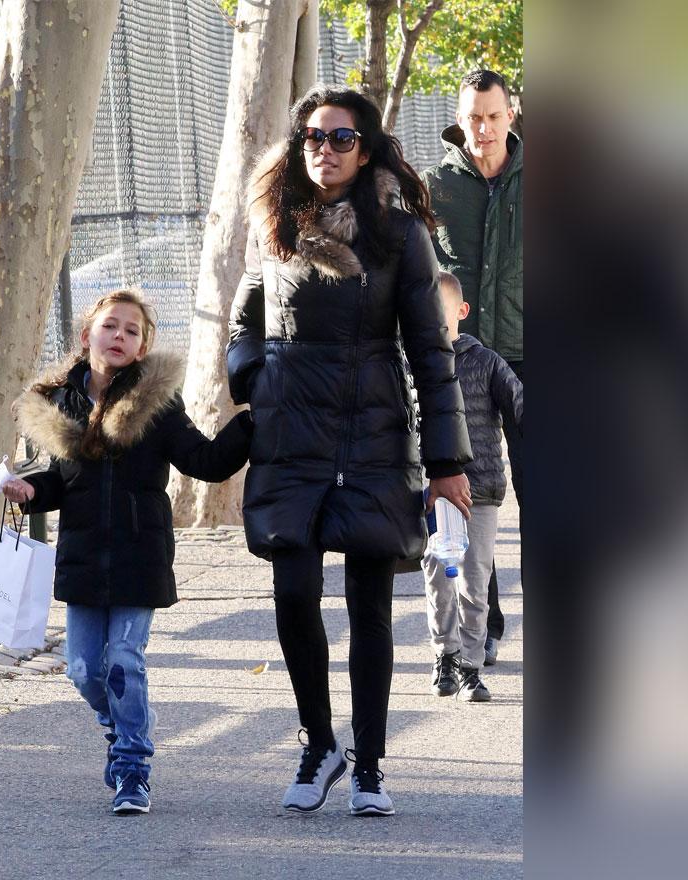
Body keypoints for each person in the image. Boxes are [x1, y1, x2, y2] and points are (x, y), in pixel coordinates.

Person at [227, 85, 473, 817]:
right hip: (290, 437)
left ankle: (369, 764)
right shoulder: (278, 224)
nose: (323, 149)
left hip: (372, 437)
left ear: (365, 150)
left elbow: (431, 350)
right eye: (311, 136)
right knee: (294, 593)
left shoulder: (400, 236)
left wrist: (447, 464)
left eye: (339, 138)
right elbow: (246, 316)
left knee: (369, 607)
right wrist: (253, 373)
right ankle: (318, 743)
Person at [2, 289, 252, 816]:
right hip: (83, 557)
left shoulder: (155, 405)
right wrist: (29, 492)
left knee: (123, 661)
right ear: (87, 335)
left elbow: (205, 461)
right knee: (81, 670)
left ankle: (133, 768)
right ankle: (121, 728)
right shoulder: (57, 404)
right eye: (111, 326)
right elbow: (55, 481)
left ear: (142, 349)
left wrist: (251, 424)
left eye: (132, 331)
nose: (120, 336)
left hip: (140, 553)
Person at [420, 69, 523, 666]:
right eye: (472, 117)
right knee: (471, 494)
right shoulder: (435, 188)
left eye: (492, 115)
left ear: (511, 114)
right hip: (462, 367)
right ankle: (481, 609)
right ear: (460, 120)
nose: (481, 128)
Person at [424, 271, 523, 702]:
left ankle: (470, 665)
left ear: (461, 312)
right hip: (429, 492)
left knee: (474, 580)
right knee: (437, 574)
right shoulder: (412, 363)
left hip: (479, 491)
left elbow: (520, 403)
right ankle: (443, 656)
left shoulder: (485, 362)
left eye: (440, 313)